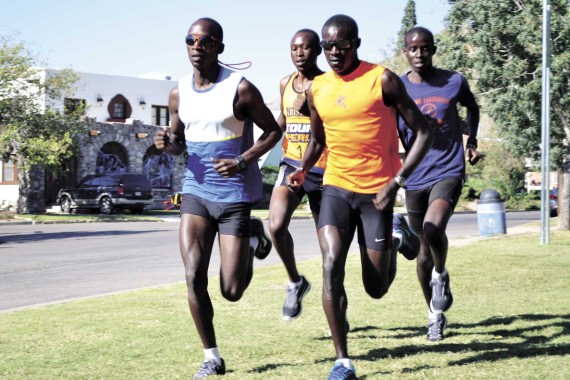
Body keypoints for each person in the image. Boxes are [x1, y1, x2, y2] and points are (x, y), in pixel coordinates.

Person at [287, 14, 433, 380]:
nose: (334, 52)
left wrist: (397, 182)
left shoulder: (381, 79)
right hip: (335, 186)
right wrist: (304, 168)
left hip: (377, 195)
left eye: (342, 45)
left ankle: (399, 235)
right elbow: (318, 140)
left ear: (356, 44)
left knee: (376, 288)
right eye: (327, 46)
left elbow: (423, 132)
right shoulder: (317, 88)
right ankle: (342, 362)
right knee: (331, 262)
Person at [153, 17, 281, 379]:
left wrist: (242, 160)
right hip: (195, 190)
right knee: (193, 274)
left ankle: (255, 235)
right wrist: (166, 143)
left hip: (233, 195)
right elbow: (178, 143)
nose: (197, 47)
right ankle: (212, 356)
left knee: (232, 290)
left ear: (219, 48)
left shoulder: (240, 89)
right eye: (191, 40)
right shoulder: (178, 91)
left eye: (205, 41)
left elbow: (273, 131)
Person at [398, 26, 480, 342]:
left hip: (448, 169)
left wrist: (470, 140)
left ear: (433, 49)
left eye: (425, 48)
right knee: (421, 255)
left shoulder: (453, 81)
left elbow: (472, 107)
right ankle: (434, 315)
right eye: (413, 49)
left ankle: (441, 274)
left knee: (434, 227)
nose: (420, 54)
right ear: (405, 52)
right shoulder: (398, 87)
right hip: (414, 176)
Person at [268, 28, 325, 321]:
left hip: (324, 170)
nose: (299, 53)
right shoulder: (285, 83)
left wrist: (313, 110)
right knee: (275, 226)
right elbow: (283, 119)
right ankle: (295, 282)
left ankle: (335, 307)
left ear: (317, 50)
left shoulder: (329, 84)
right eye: (294, 48)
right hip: (291, 164)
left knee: (330, 252)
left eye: (305, 48)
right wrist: (259, 146)